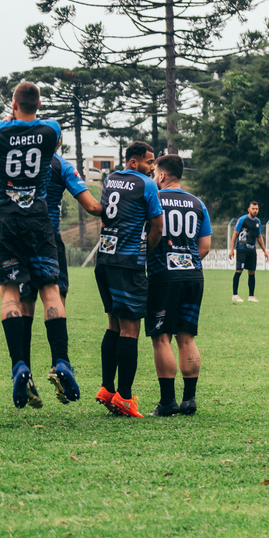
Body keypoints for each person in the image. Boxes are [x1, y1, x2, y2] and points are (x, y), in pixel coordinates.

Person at [0, 81, 77, 410]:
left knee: (10, 294)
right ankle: (61, 362)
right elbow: (47, 136)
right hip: (39, 221)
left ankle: (20, 366)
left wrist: (1, 123)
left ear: (14, 103)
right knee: (50, 291)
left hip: (5, 220)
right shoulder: (51, 130)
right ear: (39, 103)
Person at [17, 152, 103, 402]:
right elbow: (91, 206)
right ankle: (59, 363)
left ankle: (25, 373)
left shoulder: (15, 159)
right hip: (47, 238)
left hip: (17, 238)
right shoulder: (60, 165)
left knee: (24, 304)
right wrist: (119, 210)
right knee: (54, 297)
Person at [93, 141, 163, 418]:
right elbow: (157, 226)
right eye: (149, 162)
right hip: (128, 264)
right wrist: (144, 251)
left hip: (105, 260)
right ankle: (124, 398)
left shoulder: (110, 179)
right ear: (134, 162)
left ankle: (107, 389)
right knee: (130, 329)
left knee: (113, 323)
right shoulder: (147, 185)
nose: (153, 167)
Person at [146, 154, 211, 416]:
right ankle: (189, 400)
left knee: (161, 337)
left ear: (161, 176)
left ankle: (167, 402)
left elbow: (151, 234)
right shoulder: (197, 203)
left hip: (163, 276)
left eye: (154, 174)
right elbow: (204, 246)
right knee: (186, 336)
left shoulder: (154, 199)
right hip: (193, 276)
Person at [229, 201, 269, 303]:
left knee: (252, 272)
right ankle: (235, 295)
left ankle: (251, 296)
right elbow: (234, 235)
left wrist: (265, 251)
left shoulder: (258, 222)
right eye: (253, 209)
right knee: (239, 271)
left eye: (257, 209)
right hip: (242, 249)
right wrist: (231, 250)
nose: (255, 211)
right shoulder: (242, 220)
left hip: (252, 250)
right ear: (249, 209)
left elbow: (259, 237)